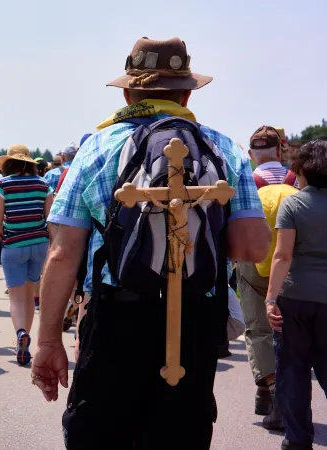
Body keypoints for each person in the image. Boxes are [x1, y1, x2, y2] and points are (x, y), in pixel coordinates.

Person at [33, 37, 271, 450]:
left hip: (116, 318)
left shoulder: (98, 147)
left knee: (100, 435)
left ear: (128, 92)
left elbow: (63, 251)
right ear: (186, 92)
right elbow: (252, 247)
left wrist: (49, 341)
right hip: (195, 321)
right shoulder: (225, 148)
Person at [265, 140, 327, 450]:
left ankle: (298, 440)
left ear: (301, 171)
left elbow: (282, 255)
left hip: (295, 298)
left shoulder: (293, 204)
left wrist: (270, 298)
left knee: (293, 369)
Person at [237, 125, 299, 430]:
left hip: (252, 260)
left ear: (251, 154)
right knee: (286, 330)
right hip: (289, 263)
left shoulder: (246, 181)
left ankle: (271, 391)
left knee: (259, 328)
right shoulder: (296, 182)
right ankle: (269, 392)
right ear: (280, 150)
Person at [0, 144, 53, 366]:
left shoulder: (4, 184)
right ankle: (25, 339)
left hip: (13, 244)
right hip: (39, 244)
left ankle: (20, 334)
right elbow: (50, 218)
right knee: (30, 295)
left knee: (15, 297)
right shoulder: (43, 184)